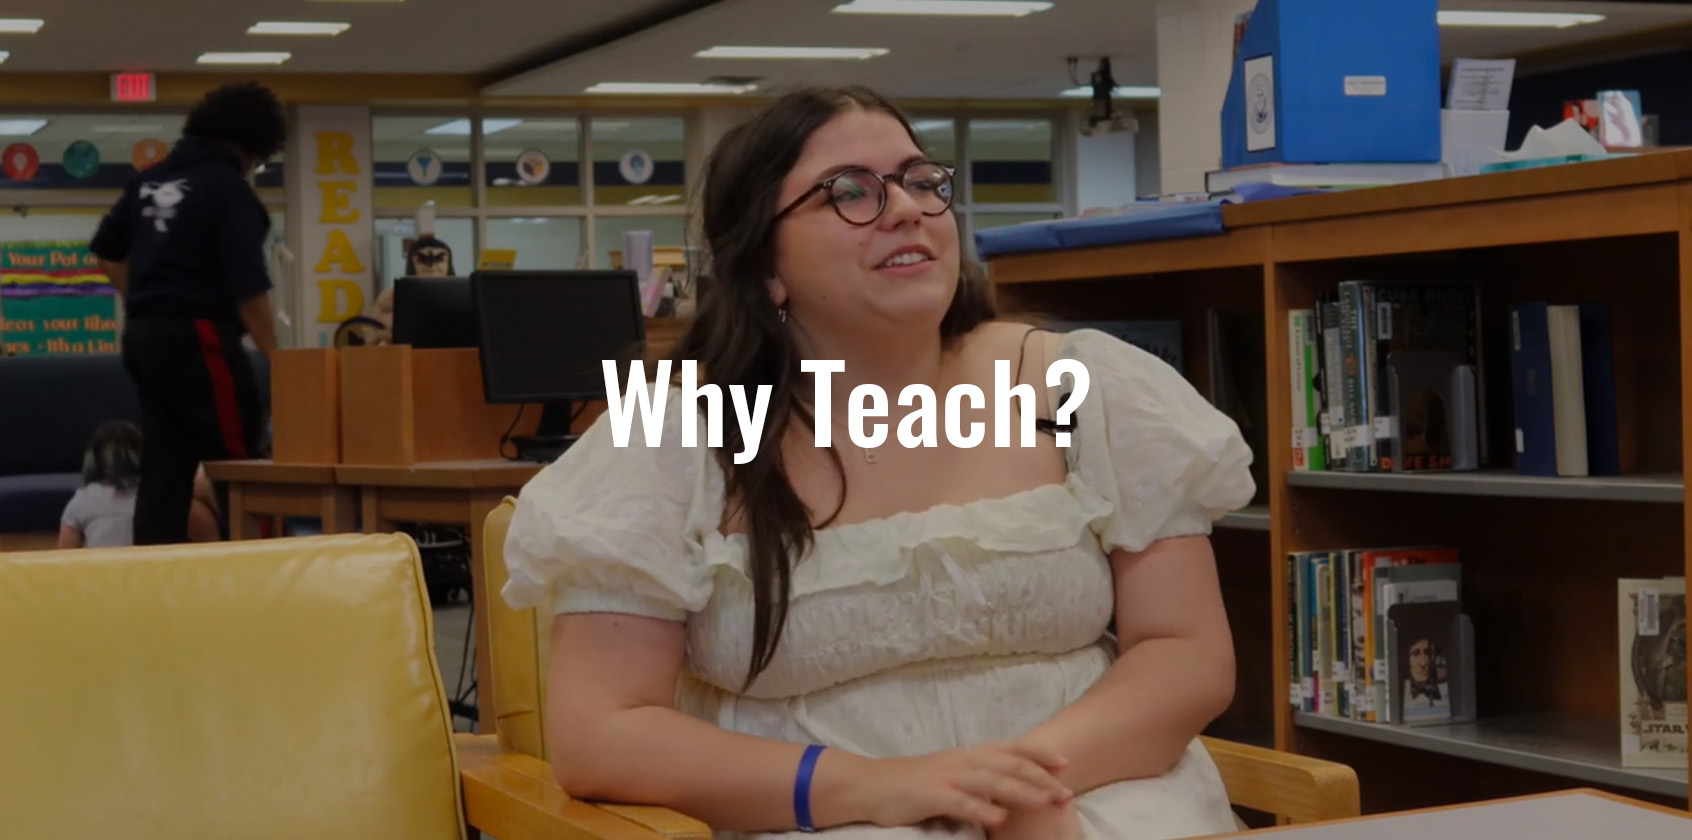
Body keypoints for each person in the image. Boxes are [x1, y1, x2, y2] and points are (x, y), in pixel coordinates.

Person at [500, 86, 1255, 840]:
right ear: (766, 266)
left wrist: (1013, 783)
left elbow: (1182, 652)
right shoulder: (672, 434)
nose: (906, 209)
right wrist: (883, 788)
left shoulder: (1080, 388)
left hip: (1090, 797)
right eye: (848, 193)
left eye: (922, 182)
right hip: (819, 819)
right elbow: (601, 731)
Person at [89, 82, 283, 545]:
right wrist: (281, 360)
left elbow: (105, 250)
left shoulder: (147, 180)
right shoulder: (228, 190)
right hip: (199, 335)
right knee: (238, 452)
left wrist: (143, 298)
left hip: (142, 334)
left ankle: (154, 571)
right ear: (252, 145)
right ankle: (257, 563)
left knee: (166, 458)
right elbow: (248, 290)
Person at [57, 421, 222, 549]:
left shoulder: (82, 501)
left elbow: (64, 560)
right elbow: (210, 546)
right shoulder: (159, 497)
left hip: (99, 583)